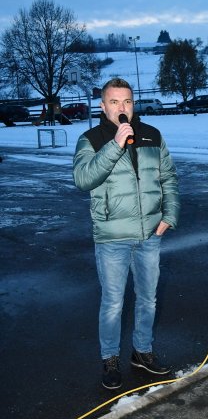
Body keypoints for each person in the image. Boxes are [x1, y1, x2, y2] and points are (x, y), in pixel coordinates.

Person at [73, 78, 179, 390]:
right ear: (103, 106)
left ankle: (142, 352)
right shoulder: (90, 139)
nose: (123, 108)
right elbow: (83, 179)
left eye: (128, 102)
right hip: (112, 236)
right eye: (115, 102)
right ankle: (110, 359)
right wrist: (115, 144)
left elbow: (169, 177)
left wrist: (169, 215)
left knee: (148, 299)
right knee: (113, 302)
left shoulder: (152, 135)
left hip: (150, 233)